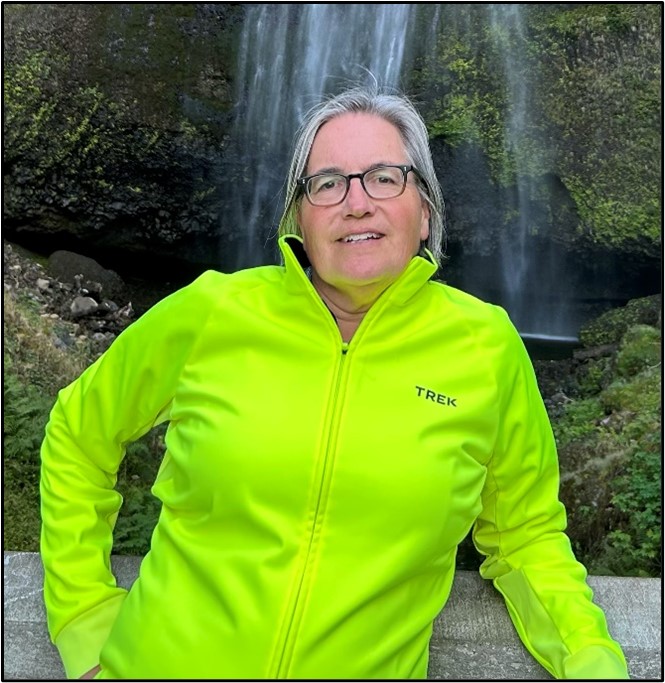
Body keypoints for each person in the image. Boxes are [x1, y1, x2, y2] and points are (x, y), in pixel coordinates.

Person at [40, 85, 629, 680]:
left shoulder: (487, 346)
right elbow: (77, 432)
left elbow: (526, 536)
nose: (356, 203)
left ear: (425, 210)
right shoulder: (213, 310)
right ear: (298, 215)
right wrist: (86, 617)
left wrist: (591, 659)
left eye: (384, 177)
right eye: (328, 183)